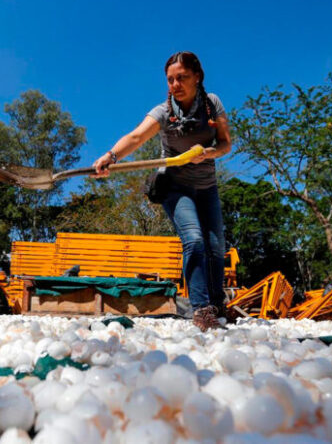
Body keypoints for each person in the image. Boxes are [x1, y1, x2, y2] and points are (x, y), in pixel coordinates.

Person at [92, 51, 232, 331]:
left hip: (206, 188)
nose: (175, 85)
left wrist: (208, 153)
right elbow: (136, 136)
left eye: (181, 78)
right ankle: (201, 309)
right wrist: (111, 155)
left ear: (197, 77)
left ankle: (218, 306)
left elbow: (225, 144)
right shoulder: (164, 112)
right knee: (194, 240)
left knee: (216, 248)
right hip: (174, 186)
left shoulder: (211, 104)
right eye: (170, 80)